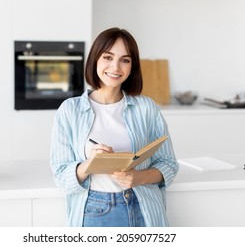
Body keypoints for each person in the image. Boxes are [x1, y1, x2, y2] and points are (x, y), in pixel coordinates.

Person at [50, 27, 178, 227]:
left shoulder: (146, 108)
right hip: (95, 211)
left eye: (125, 60)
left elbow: (169, 164)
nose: (116, 67)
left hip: (144, 210)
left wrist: (138, 177)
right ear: (95, 60)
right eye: (108, 57)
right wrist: (90, 164)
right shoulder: (69, 110)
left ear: (132, 66)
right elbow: (60, 178)